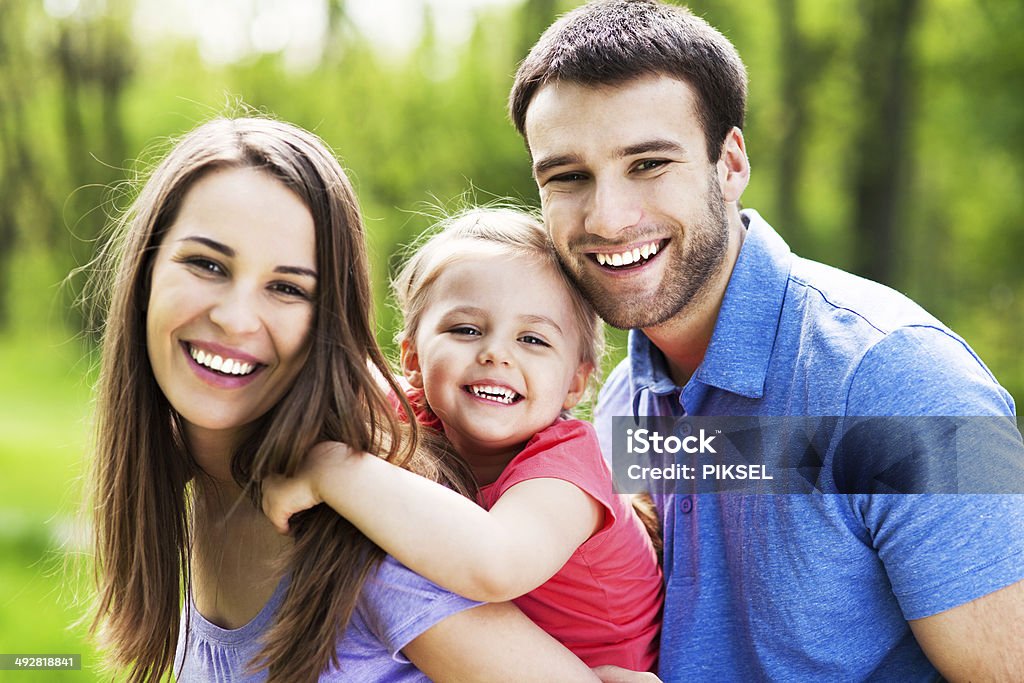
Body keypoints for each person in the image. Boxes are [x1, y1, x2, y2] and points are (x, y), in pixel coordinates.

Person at [507, 0, 1024, 680]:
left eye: (649, 164)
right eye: (567, 177)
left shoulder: (901, 379)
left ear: (730, 163)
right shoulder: (620, 402)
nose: (607, 216)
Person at [85, 117, 602, 682]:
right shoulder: (191, 488)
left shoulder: (379, 536)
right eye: (207, 265)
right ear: (145, 277)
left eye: (287, 287)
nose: (234, 318)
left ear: (330, 321)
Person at [264, 207, 664, 672]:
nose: (495, 353)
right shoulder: (417, 409)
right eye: (466, 330)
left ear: (575, 383)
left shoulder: (566, 469)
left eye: (533, 340)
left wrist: (330, 470)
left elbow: (494, 563)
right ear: (412, 357)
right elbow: (332, 371)